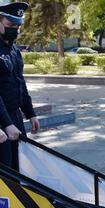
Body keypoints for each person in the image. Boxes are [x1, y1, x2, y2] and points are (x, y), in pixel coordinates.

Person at [0, 1, 39, 170]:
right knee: (5, 172)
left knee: (19, 168)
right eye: (10, 25)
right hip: (2, 121)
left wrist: (30, 113)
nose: (14, 30)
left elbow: (20, 82)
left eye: (17, 26)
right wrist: (7, 124)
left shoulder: (13, 49)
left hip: (15, 116)